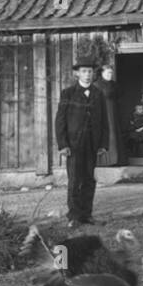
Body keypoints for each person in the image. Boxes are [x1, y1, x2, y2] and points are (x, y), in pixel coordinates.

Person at [54, 58, 110, 227]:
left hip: (92, 144)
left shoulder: (98, 94)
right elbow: (60, 121)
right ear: (77, 73)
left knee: (88, 179)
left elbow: (104, 121)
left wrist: (103, 144)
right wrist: (63, 145)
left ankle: (86, 215)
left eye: (90, 72)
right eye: (84, 71)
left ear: (94, 74)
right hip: (73, 145)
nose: (87, 75)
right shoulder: (68, 93)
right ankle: (73, 216)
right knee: (74, 180)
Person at [94, 65, 123, 166]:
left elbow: (118, 98)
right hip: (103, 111)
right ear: (102, 73)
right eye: (107, 73)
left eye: (111, 73)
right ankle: (103, 161)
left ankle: (114, 160)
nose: (110, 75)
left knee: (114, 133)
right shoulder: (97, 85)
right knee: (106, 133)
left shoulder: (114, 85)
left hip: (113, 111)